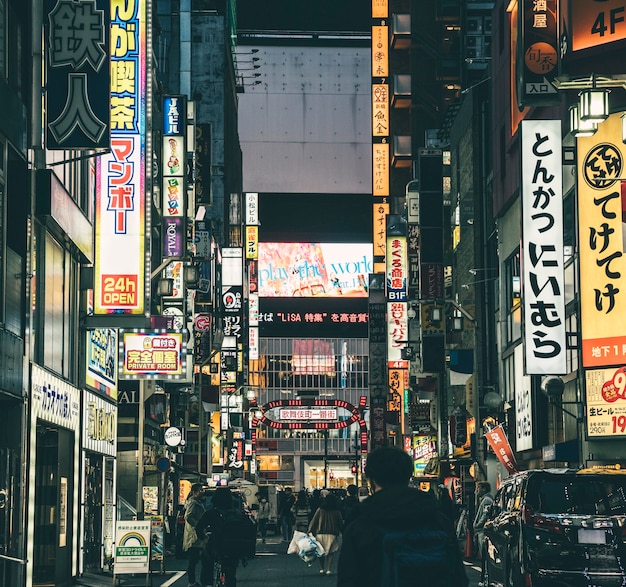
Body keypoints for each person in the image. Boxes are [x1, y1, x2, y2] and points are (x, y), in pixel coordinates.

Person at [337, 446, 468, 587]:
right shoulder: (437, 518)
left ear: (371, 479)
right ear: (408, 475)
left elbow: (349, 579)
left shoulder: (360, 525)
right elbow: (458, 577)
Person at [196, 487, 252, 587]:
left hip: (215, 546)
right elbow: (246, 531)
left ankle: (207, 584)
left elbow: (199, 527)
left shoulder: (211, 513)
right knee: (231, 574)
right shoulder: (239, 514)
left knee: (207, 563)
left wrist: (204, 538)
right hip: (234, 547)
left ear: (215, 499)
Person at [307, 492, 344, 575]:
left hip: (320, 533)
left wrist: (309, 530)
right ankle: (329, 569)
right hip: (332, 533)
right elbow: (340, 523)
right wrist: (343, 532)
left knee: (321, 552)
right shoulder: (337, 511)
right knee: (330, 552)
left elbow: (314, 521)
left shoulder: (320, 510)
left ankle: (322, 568)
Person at [183, 483, 207, 587]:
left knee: (195, 559)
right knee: (193, 560)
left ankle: (193, 581)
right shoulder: (193, 503)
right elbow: (188, 517)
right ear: (194, 492)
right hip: (194, 536)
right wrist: (199, 525)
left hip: (197, 535)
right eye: (200, 490)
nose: (202, 492)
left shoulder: (197, 502)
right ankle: (191, 582)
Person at [472, 481, 494, 559]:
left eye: (478, 488)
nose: (477, 490)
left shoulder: (487, 500)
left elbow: (485, 515)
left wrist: (478, 525)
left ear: (484, 489)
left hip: (482, 530)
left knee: (484, 553)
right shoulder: (485, 499)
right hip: (481, 530)